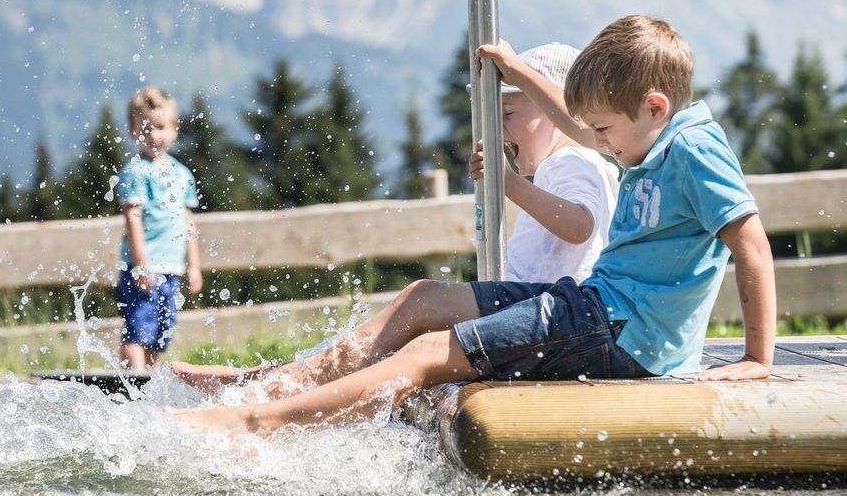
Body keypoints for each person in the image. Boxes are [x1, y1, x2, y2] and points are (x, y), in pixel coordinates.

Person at [176, 15, 776, 434]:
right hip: (595, 310)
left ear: (653, 108)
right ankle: (275, 387)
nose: (594, 143)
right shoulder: (647, 142)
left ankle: (257, 423)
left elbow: (750, 245)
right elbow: (575, 121)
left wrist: (758, 357)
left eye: (604, 133)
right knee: (425, 299)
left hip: (622, 336)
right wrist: (516, 69)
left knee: (428, 353)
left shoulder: (693, 149)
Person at [171, 42, 619, 396]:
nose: (498, 130)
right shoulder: (565, 166)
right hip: (538, 311)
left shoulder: (572, 162)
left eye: (507, 114)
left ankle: (274, 387)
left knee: (414, 309)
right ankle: (275, 380)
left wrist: (509, 183)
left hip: (548, 317)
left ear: (553, 113)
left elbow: (580, 225)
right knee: (401, 323)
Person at [115, 87, 203, 371]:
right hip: (144, 266)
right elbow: (132, 218)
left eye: (161, 127)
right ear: (132, 131)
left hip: (172, 268)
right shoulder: (135, 172)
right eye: (146, 128)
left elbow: (188, 222)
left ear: (175, 129)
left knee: (160, 335)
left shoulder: (182, 174)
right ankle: (133, 383)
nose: (154, 135)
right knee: (137, 329)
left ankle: (145, 384)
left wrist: (194, 265)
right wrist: (142, 265)